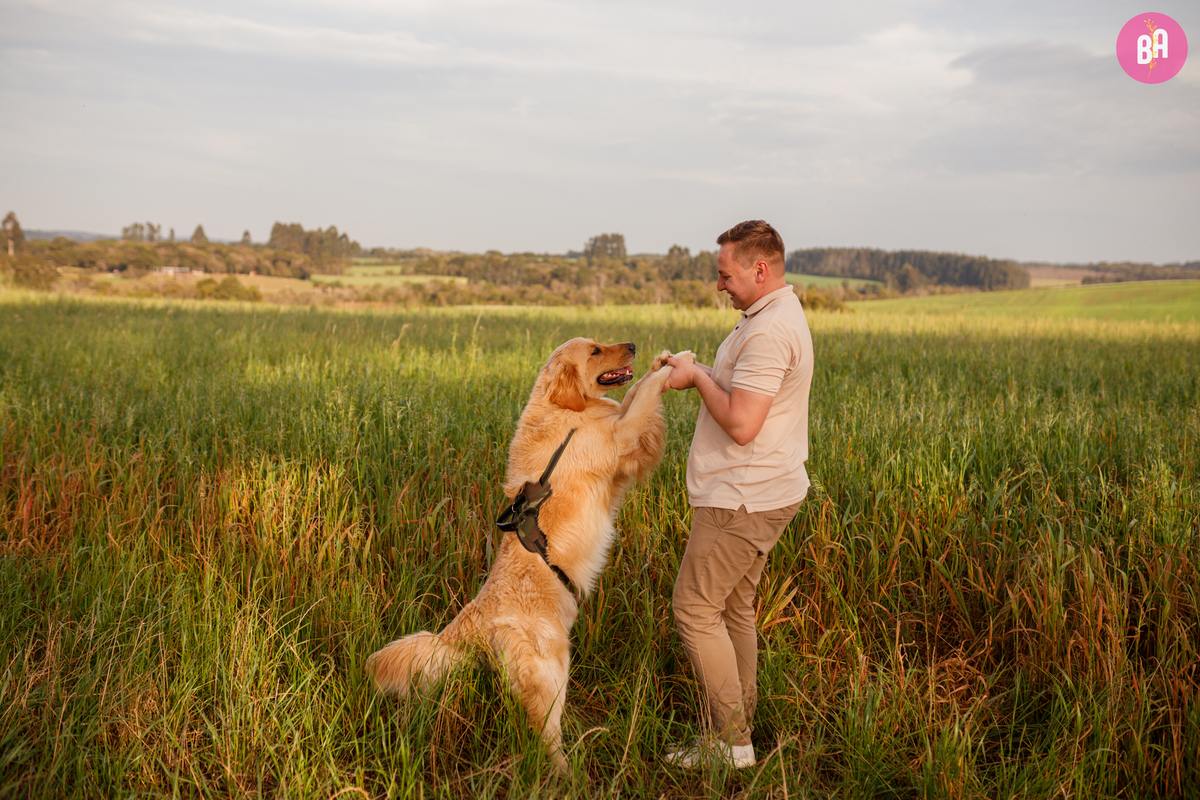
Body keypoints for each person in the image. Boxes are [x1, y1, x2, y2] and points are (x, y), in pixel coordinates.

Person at [662, 220, 814, 769]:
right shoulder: (769, 316)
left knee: (694, 609)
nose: (719, 285)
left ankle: (730, 743)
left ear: (760, 269)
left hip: (741, 498)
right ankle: (739, 735)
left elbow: (743, 423)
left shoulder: (769, 332)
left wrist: (697, 381)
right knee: (733, 609)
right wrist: (696, 368)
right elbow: (745, 393)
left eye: (725, 275)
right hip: (761, 490)